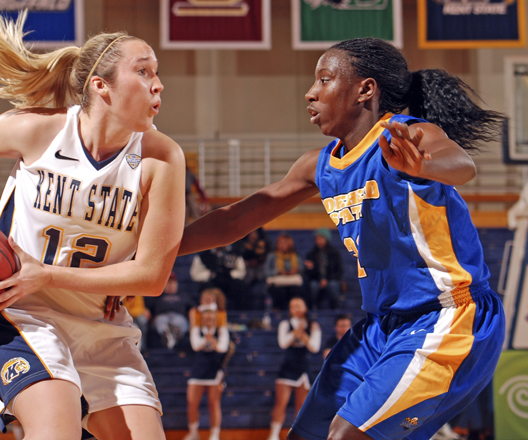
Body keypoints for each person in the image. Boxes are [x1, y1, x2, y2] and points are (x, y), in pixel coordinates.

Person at [179, 37, 506, 440]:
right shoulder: (318, 166)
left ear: (365, 90)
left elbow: (463, 165)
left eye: (324, 79)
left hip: (448, 316)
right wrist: (154, 252)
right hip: (381, 327)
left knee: (347, 435)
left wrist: (425, 167)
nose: (310, 92)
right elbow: (234, 220)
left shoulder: (403, 135)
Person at [0, 13, 185, 440]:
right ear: (102, 86)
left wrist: (49, 274)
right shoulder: (43, 130)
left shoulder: (162, 157)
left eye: (157, 73)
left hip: (100, 322)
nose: (158, 84)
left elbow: (152, 277)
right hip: (24, 310)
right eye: (144, 71)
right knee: (57, 432)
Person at [267, 297, 321, 440]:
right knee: (281, 403)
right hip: (288, 367)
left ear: (305, 307)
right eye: (293, 306)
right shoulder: (285, 324)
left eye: (299, 305)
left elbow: (315, 348)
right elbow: (283, 343)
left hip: (304, 368)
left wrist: (304, 337)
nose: (296, 309)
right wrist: (295, 333)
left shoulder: (313, 325)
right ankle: (273, 435)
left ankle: (297, 435)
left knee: (301, 406)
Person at [183, 308, 230, 440]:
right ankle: (193, 433)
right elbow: (195, 346)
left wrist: (213, 341)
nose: (209, 321)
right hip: (198, 369)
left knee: (214, 404)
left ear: (216, 318)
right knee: (192, 402)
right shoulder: (196, 330)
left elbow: (223, 348)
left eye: (211, 318)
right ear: (202, 318)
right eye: (206, 318)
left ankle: (214, 435)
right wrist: (206, 340)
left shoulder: (222, 331)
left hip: (214, 370)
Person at [190, 245, 246, 310]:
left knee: (240, 286)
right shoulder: (203, 255)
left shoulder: (235, 253)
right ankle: (208, 311)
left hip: (229, 280)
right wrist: (209, 274)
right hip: (212, 281)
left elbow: (241, 271)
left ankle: (241, 313)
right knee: (206, 288)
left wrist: (230, 274)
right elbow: (195, 274)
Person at [147, 272, 191, 349]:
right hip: (162, 316)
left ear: (176, 284)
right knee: (162, 321)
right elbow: (148, 307)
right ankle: (170, 335)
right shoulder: (157, 295)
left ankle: (170, 336)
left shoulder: (183, 295)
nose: (170, 285)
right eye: (168, 282)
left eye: (172, 282)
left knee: (178, 321)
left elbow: (193, 307)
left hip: (178, 316)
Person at [303, 228, 344, 310]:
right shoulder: (311, 254)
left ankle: (335, 307)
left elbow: (339, 271)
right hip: (316, 280)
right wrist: (310, 268)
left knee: (333, 285)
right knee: (313, 285)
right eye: (317, 239)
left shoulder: (334, 253)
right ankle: (314, 307)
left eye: (321, 238)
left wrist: (327, 280)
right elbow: (308, 275)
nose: (319, 241)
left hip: (332, 279)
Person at [265, 233, 304, 311]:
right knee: (279, 292)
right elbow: (266, 272)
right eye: (280, 243)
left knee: (295, 290)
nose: (282, 245)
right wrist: (277, 272)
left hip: (292, 282)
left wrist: (294, 271)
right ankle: (278, 311)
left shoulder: (295, 256)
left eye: (285, 243)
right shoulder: (272, 256)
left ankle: (293, 310)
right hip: (277, 283)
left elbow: (301, 269)